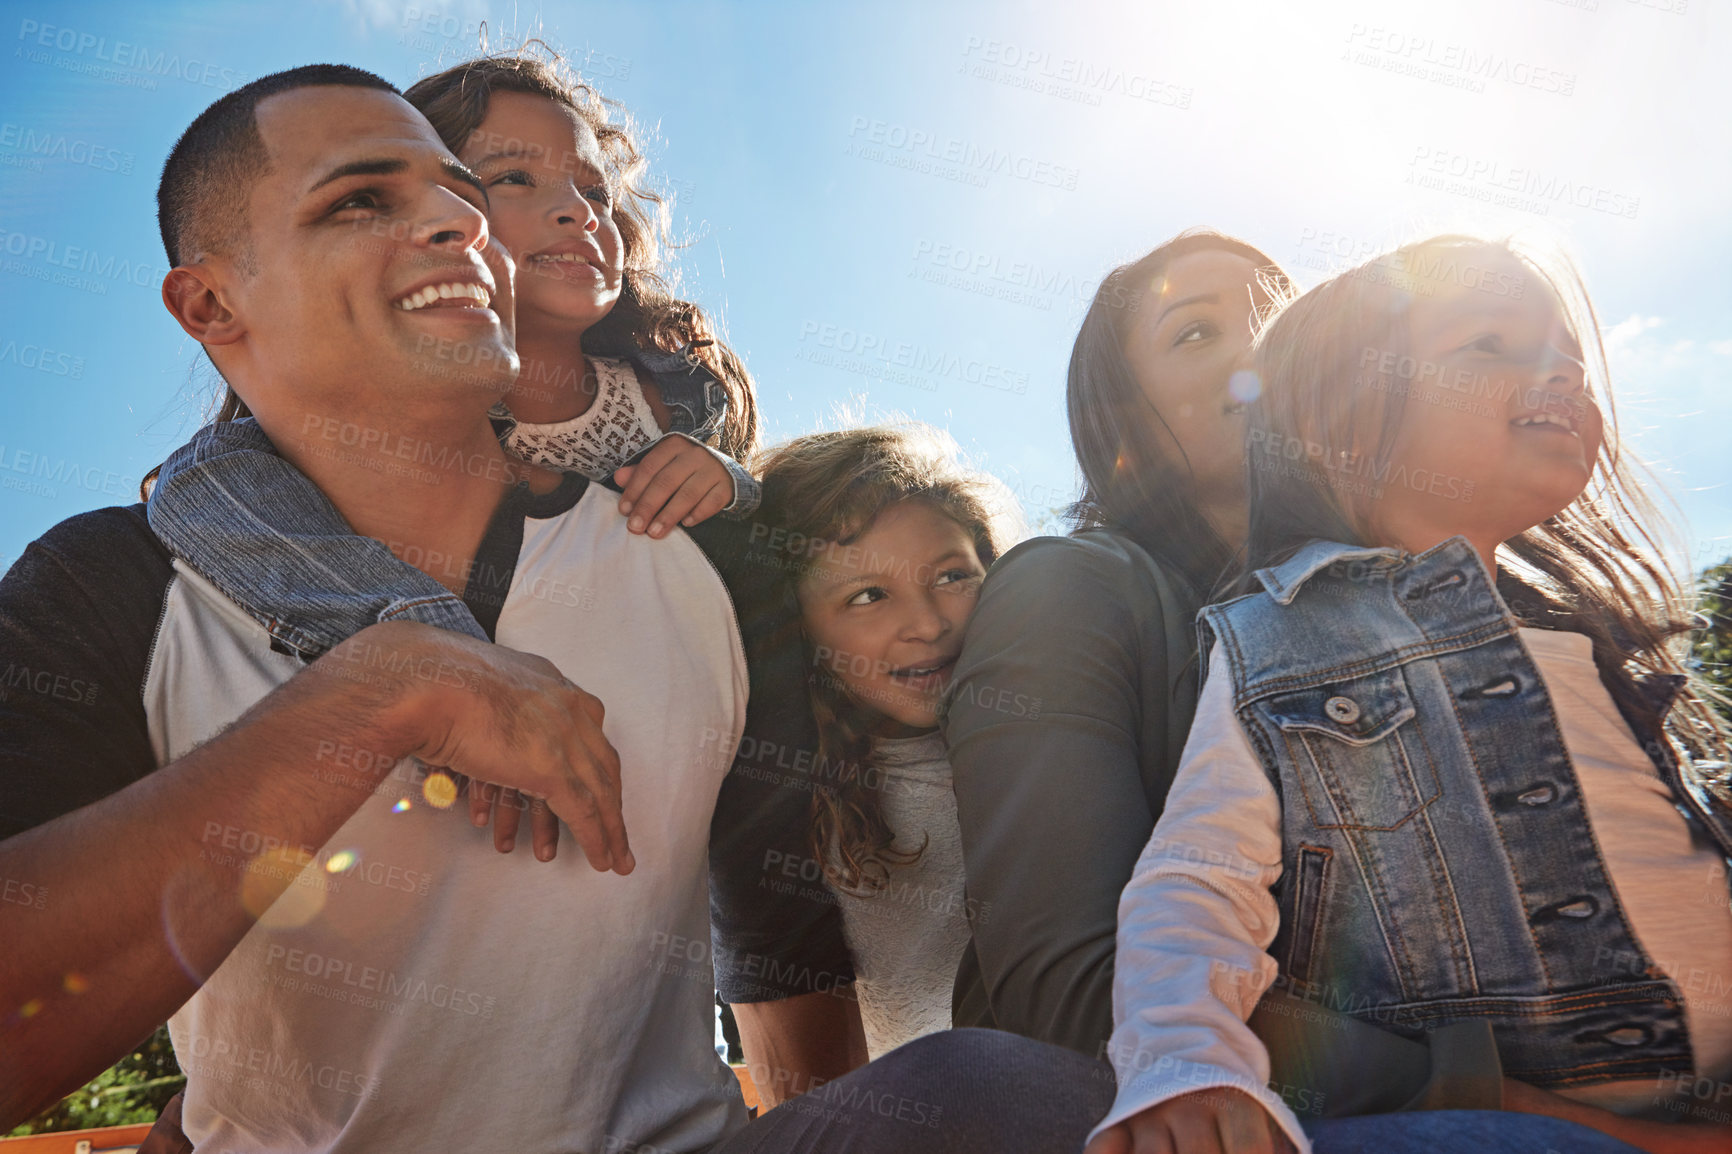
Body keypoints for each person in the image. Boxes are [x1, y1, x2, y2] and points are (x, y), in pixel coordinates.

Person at [0, 65, 1114, 1152]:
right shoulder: (115, 585)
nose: (454, 222)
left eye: (457, 192)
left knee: (1010, 1091)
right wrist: (379, 693)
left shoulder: (704, 557)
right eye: (358, 201)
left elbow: (775, 925)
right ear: (210, 302)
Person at [1086, 236, 1732, 1154]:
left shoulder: (1593, 651)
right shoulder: (1283, 639)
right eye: (1489, 345)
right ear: (1340, 426)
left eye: (1569, 358)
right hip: (1487, 1120)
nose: (1557, 372)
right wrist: (1189, 1065)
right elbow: (1199, 880)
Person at [943, 230, 1293, 1053]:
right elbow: (1073, 997)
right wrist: (1481, 1087)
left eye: (1286, 314)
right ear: (1124, 425)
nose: (1270, 340)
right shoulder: (1064, 590)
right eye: (1198, 331)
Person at [719, 424, 1021, 1105]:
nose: (927, 623)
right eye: (867, 596)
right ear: (802, 635)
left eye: (951, 577)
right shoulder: (793, 801)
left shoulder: (1045, 747)